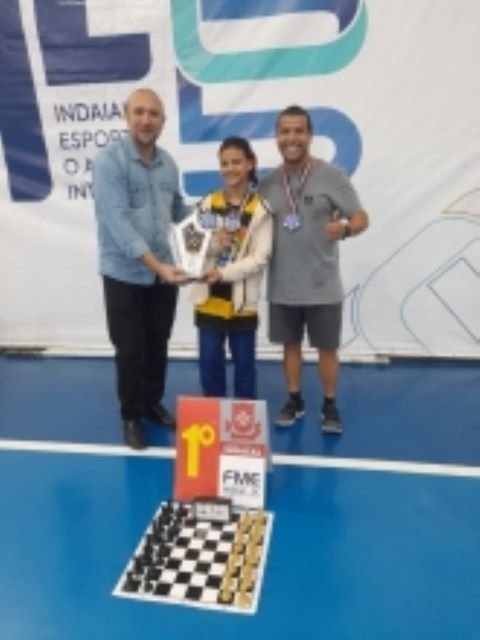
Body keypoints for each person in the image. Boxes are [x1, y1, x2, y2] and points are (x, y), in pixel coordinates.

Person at [259, 105, 369, 433]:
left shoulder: (332, 176)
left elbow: (361, 217)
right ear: (277, 137)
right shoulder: (267, 184)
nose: (292, 138)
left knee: (327, 349)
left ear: (309, 135)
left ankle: (330, 404)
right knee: (290, 346)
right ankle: (295, 399)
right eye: (285, 131)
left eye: (299, 131)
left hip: (323, 285)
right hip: (282, 285)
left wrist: (345, 230)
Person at [93, 88, 188, 450]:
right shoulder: (109, 162)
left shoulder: (168, 164)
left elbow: (178, 211)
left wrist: (214, 227)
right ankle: (131, 415)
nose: (146, 120)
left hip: (163, 272)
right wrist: (159, 267)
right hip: (124, 274)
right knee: (130, 348)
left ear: (163, 120)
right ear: (126, 115)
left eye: (153, 114)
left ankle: (151, 403)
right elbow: (118, 224)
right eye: (139, 112)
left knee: (158, 343)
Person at [191, 137, 272, 399]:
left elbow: (260, 258)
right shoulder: (207, 204)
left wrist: (223, 274)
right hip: (208, 299)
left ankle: (242, 420)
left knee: (245, 369)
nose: (230, 169)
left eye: (236, 162)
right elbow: (192, 246)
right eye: (224, 163)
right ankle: (214, 416)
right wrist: (215, 243)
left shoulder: (260, 209)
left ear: (250, 164)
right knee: (209, 366)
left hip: (242, 302)